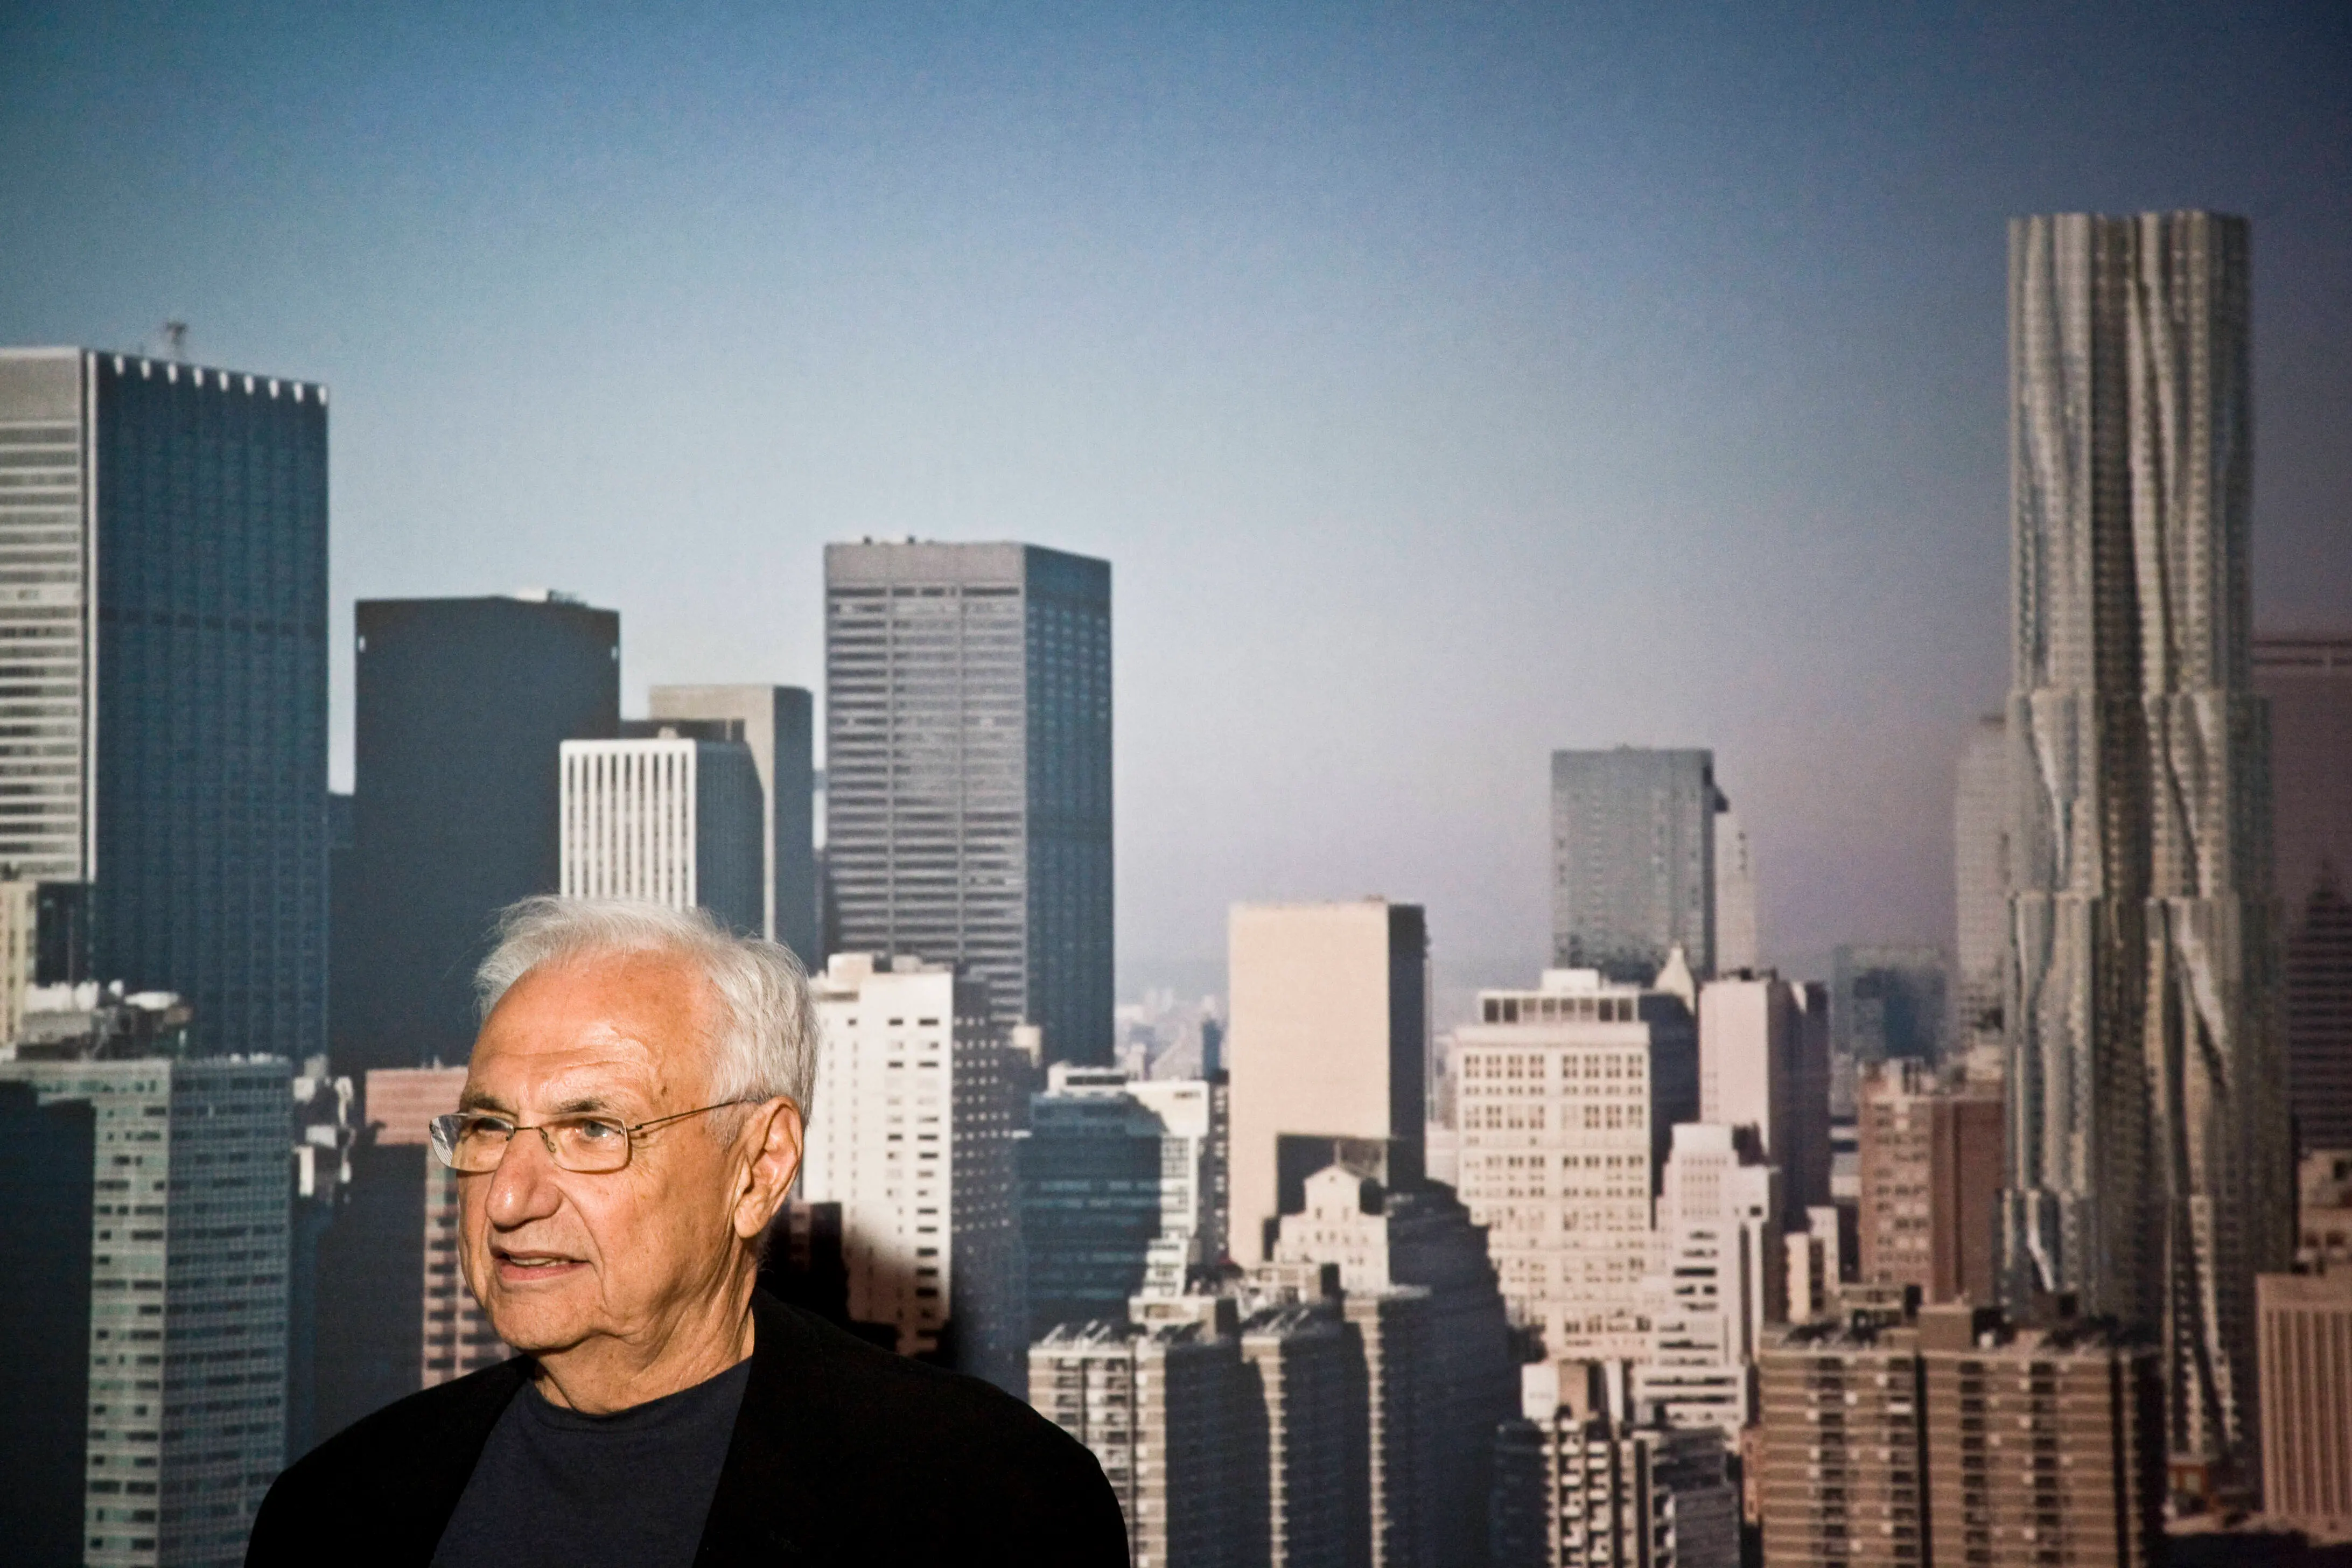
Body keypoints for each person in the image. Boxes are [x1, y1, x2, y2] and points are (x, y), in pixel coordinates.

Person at [250, 898, 1126, 1566]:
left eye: (593, 1130)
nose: (509, 1199)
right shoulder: (332, 1512)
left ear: (757, 1168)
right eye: (486, 1128)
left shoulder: (987, 1505)